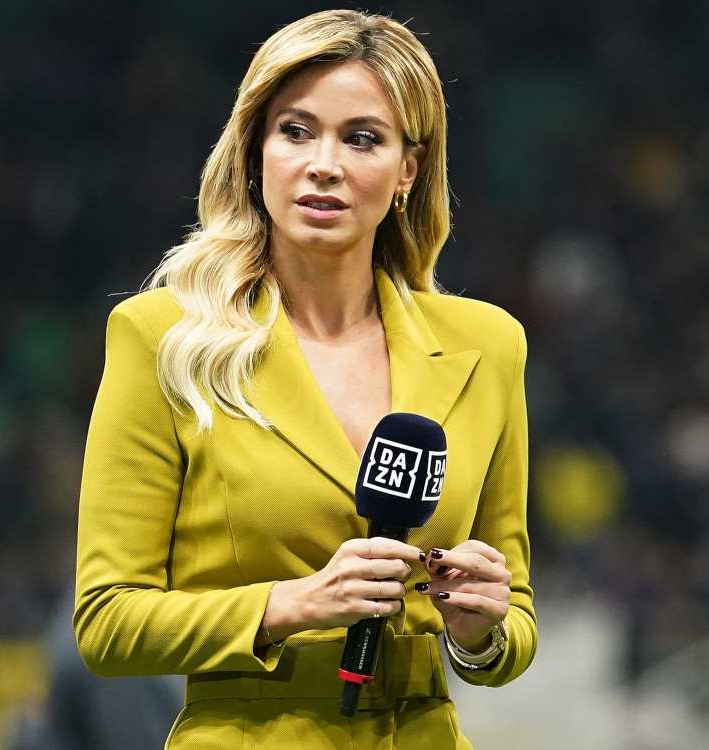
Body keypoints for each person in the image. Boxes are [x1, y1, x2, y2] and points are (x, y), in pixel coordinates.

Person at [73, 9, 536, 748]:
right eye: (295, 131)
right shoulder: (162, 338)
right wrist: (294, 604)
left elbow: (515, 618)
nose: (325, 163)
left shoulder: (489, 345)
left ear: (408, 170)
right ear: (255, 152)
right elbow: (107, 623)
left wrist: (480, 633)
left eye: (363, 138)